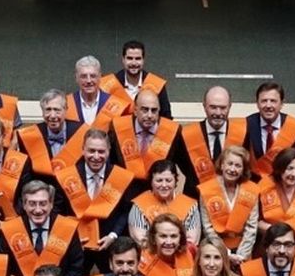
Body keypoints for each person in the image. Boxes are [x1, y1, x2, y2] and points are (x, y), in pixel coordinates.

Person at [0, 179, 86, 276]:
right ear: (24, 205)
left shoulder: (67, 227)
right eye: (32, 204)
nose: (38, 210)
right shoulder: (11, 230)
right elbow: (5, 271)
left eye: (43, 203)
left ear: (51, 204)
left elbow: (76, 267)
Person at [55, 128, 132, 261]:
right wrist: (72, 238)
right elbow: (59, 212)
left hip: (111, 244)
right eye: (91, 151)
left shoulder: (120, 176)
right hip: (77, 245)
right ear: (83, 150)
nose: (96, 157)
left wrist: (113, 236)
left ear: (108, 151)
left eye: (101, 151)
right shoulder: (67, 177)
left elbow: (125, 212)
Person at [111, 89, 178, 201]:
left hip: (158, 197)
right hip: (124, 197)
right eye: (145, 110)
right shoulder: (117, 128)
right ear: (135, 110)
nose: (149, 115)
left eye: (154, 110)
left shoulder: (172, 132)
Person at [175, 85, 247, 187]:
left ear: (230, 107)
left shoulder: (243, 133)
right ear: (204, 106)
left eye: (223, 108)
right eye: (213, 107)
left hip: (232, 193)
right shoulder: (187, 134)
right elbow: (185, 167)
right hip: (196, 193)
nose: (218, 113)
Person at [199, 145, 261, 263]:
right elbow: (208, 228)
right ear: (222, 165)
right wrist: (225, 253)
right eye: (230, 164)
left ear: (243, 169)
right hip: (216, 252)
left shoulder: (251, 190)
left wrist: (241, 256)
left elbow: (252, 228)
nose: (233, 169)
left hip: (243, 253)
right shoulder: (207, 190)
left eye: (238, 166)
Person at [18, 89, 88, 180]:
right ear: (42, 112)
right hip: (41, 186)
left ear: (66, 110)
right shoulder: (30, 136)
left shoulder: (81, 132)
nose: (52, 115)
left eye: (57, 110)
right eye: (48, 110)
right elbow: (26, 174)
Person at [129, 159, 200, 248]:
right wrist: (165, 250)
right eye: (159, 180)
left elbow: (192, 241)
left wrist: (171, 250)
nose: (164, 185)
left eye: (168, 180)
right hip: (150, 255)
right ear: (151, 182)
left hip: (182, 255)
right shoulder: (139, 204)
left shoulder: (190, 205)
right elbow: (140, 240)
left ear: (175, 181)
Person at [243, 80, 295, 176]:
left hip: (285, 181)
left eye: (273, 101)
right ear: (257, 103)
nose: (268, 105)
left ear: (282, 103)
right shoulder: (246, 125)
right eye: (264, 101)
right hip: (255, 182)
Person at [98, 39, 173, 116]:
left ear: (143, 60)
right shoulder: (108, 84)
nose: (134, 63)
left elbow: (166, 117)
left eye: (138, 59)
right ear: (123, 59)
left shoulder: (157, 84)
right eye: (130, 58)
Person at [256, 147, 295, 227]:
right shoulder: (265, 185)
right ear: (280, 168)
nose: (293, 174)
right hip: (269, 233)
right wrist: (274, 230)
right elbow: (255, 220)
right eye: (289, 168)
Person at [69, 55, 131, 126]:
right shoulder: (66, 104)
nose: (89, 81)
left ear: (100, 77)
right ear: (76, 78)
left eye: (93, 76)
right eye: (83, 76)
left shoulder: (116, 105)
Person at [141, 212, 195, 276]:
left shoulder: (191, 250)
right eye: (163, 236)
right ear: (153, 239)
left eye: (173, 236)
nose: (168, 242)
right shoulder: (142, 263)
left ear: (180, 238)